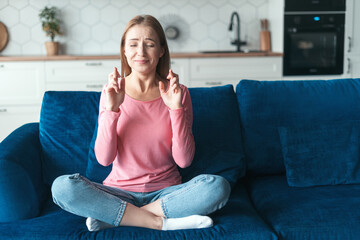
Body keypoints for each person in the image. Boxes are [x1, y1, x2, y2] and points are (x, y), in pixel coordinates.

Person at [51, 15, 231, 232]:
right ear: (125, 51)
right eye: (133, 44)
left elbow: (184, 161)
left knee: (217, 187)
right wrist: (113, 109)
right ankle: (160, 222)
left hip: (167, 193)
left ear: (162, 50)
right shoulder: (111, 92)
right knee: (62, 187)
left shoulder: (178, 93)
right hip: (117, 192)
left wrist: (176, 109)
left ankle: (118, 217)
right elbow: (104, 158)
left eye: (150, 44)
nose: (141, 52)